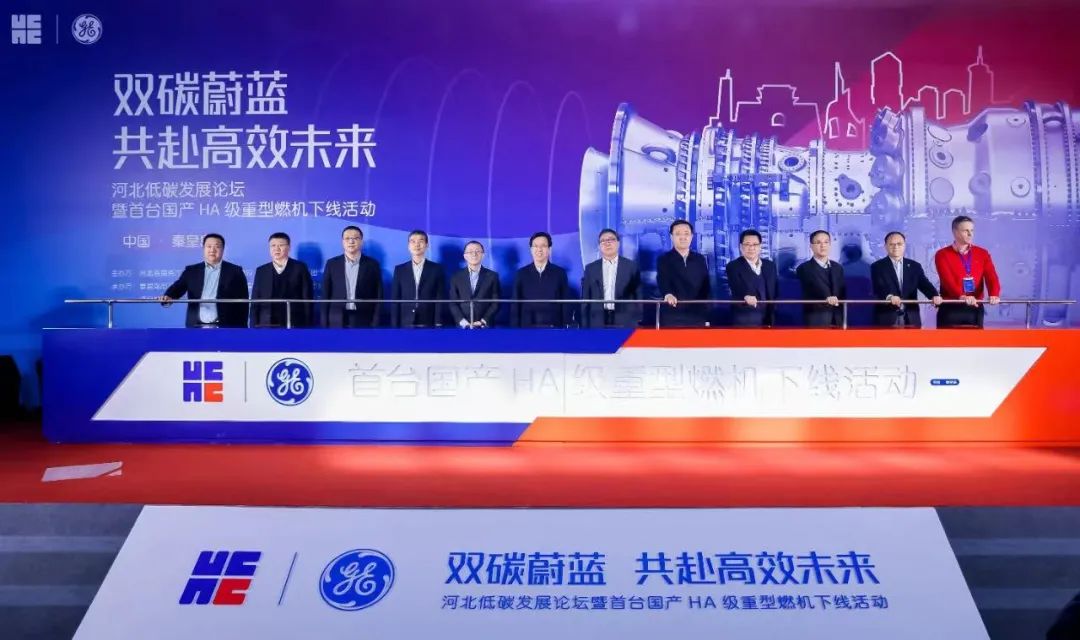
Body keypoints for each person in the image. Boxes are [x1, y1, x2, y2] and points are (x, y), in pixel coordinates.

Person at [161, 233, 248, 328]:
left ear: (223, 250)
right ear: (203, 249)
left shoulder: (235, 271)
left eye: (217, 247)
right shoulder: (191, 271)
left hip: (226, 327)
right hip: (196, 326)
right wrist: (168, 296)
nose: (212, 250)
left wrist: (242, 329)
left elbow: (243, 302)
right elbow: (177, 288)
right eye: (209, 246)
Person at [934, 215, 1001, 328]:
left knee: (975, 339)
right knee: (947, 339)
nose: (970, 234)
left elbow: (992, 276)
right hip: (951, 307)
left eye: (972, 230)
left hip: (975, 307)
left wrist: (994, 294)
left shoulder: (982, 253)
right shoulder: (942, 254)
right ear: (955, 232)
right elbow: (947, 281)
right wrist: (962, 296)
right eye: (966, 231)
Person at [870, 231, 941, 328]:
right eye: (891, 244)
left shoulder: (914, 266)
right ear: (885, 246)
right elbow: (878, 287)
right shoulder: (877, 266)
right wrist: (890, 297)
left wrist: (934, 295)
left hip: (911, 316)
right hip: (887, 316)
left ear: (904, 245)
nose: (896, 247)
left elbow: (924, 284)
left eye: (899, 244)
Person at [321, 226, 383, 328]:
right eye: (347, 238)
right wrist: (324, 322)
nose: (351, 241)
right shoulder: (332, 264)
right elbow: (325, 295)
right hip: (336, 317)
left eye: (355, 238)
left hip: (363, 317)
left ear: (361, 241)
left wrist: (375, 322)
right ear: (342, 242)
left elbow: (378, 295)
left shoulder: (372, 265)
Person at [250, 232, 314, 328]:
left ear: (288, 247)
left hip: (293, 323)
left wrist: (307, 325)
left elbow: (307, 298)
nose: (276, 249)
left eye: (281, 245)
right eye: (273, 245)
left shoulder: (300, 268)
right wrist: (253, 325)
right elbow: (255, 301)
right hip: (266, 324)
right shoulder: (261, 271)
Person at [581, 229, 642, 328]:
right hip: (597, 318)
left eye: (611, 239)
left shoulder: (631, 266)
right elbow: (585, 298)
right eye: (603, 241)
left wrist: (637, 318)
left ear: (618, 243)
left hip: (625, 318)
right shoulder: (590, 268)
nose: (607, 243)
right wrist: (584, 322)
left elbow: (638, 294)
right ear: (599, 246)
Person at [511, 232, 572, 328]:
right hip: (527, 327)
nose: (539, 249)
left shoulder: (560, 273)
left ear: (549, 249)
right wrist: (514, 329)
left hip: (553, 327)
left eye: (543, 246)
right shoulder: (521, 274)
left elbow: (565, 302)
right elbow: (515, 304)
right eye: (535, 246)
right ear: (531, 250)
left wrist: (565, 325)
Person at [657, 220, 710, 327]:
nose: (683, 237)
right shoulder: (664, 259)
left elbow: (706, 286)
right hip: (672, 314)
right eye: (678, 234)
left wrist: (707, 313)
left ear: (692, 236)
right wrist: (668, 294)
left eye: (686, 234)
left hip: (697, 315)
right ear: (671, 237)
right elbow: (662, 280)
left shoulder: (700, 259)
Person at [390, 230, 446, 328]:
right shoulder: (399, 270)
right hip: (405, 321)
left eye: (421, 241)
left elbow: (439, 298)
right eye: (413, 241)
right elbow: (396, 299)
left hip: (428, 320)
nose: (417, 245)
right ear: (408, 246)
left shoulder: (436, 269)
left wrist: (438, 322)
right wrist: (395, 324)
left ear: (427, 245)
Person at [725, 229, 778, 327]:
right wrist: (745, 296)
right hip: (746, 318)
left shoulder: (770, 265)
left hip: (769, 317)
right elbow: (736, 288)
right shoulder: (733, 266)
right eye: (747, 244)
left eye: (755, 244)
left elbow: (774, 290)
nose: (751, 248)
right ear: (741, 247)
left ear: (760, 246)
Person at [795, 230, 846, 327]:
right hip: (816, 318)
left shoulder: (838, 268)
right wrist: (826, 300)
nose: (823, 245)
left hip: (838, 319)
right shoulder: (804, 269)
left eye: (826, 242)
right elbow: (805, 294)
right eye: (818, 242)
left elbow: (842, 292)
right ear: (811, 246)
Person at [448, 241, 500, 328]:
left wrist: (483, 321)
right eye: (470, 251)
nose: (474, 254)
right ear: (465, 256)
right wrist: (463, 322)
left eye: (477, 251)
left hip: (485, 326)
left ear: (483, 255)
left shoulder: (492, 276)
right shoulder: (456, 277)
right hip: (462, 326)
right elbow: (453, 303)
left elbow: (496, 302)